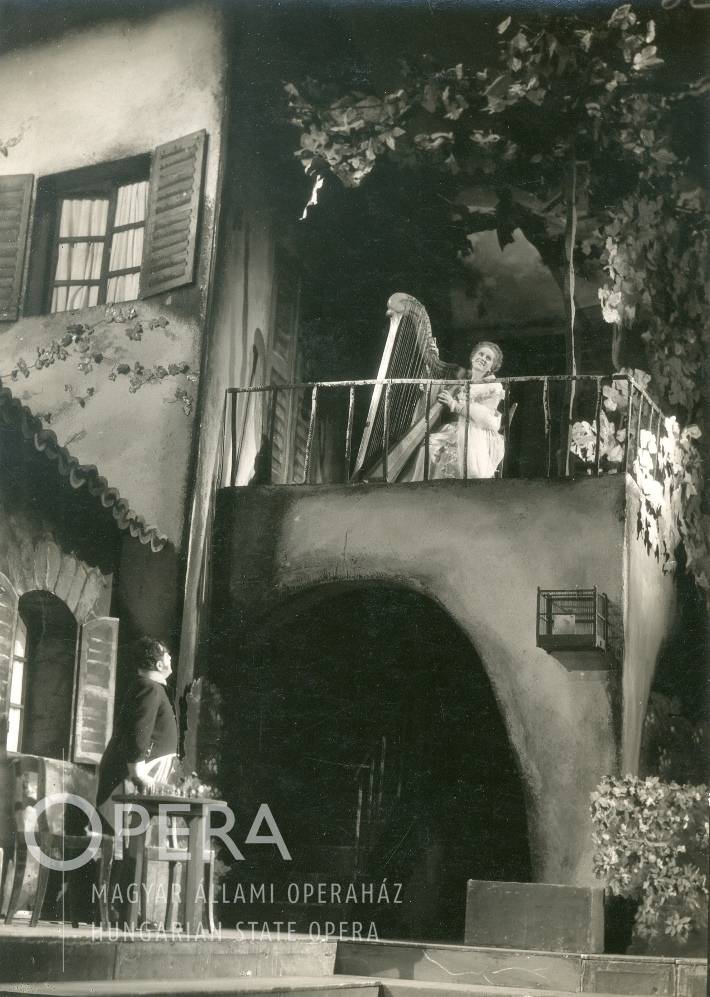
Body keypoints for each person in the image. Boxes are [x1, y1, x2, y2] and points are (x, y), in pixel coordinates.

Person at [97, 637, 178, 832]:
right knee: (124, 838)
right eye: (166, 654)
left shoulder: (150, 687)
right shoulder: (149, 688)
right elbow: (138, 732)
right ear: (159, 665)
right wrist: (138, 773)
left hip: (139, 775)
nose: (170, 657)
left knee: (131, 836)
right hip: (129, 777)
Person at [419, 341, 505, 480]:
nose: (483, 358)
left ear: (492, 367)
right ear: (473, 357)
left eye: (488, 358)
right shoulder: (465, 378)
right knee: (426, 447)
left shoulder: (493, 385)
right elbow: (438, 387)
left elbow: (486, 419)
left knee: (435, 452)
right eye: (481, 354)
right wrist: (429, 362)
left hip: (477, 434)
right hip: (459, 428)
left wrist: (454, 404)